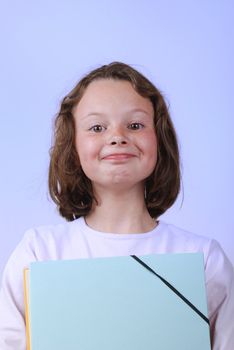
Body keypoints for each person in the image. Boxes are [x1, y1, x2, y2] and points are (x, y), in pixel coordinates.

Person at [0, 62, 233, 349]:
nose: (117, 136)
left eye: (135, 125)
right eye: (97, 127)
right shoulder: (39, 252)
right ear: (73, 148)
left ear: (160, 141)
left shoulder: (204, 259)